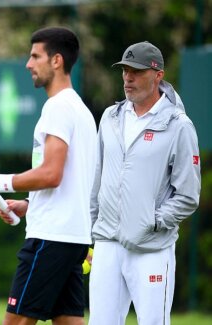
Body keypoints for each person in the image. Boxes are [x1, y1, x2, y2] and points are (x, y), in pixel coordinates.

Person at [0, 27, 97, 325]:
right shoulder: (81, 111)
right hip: (73, 238)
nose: (28, 64)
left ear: (57, 61)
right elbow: (70, 180)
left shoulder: (58, 108)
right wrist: (29, 205)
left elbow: (52, 174)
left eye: (35, 56)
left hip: (50, 239)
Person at [88, 41, 201, 325]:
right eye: (125, 70)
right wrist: (93, 229)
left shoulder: (179, 125)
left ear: (158, 75)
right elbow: (97, 179)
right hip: (107, 244)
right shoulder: (110, 117)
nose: (128, 77)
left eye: (136, 71)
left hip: (151, 249)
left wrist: (152, 221)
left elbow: (188, 195)